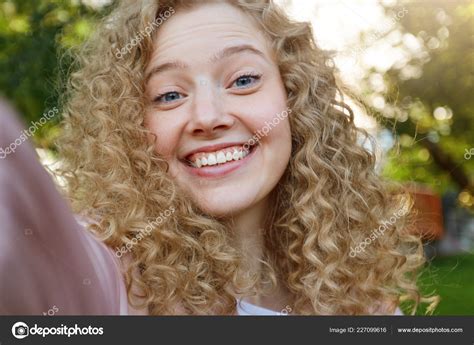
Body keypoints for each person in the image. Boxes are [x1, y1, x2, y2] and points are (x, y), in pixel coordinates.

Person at [1, 0, 435, 315]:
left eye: (243, 80)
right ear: (129, 126)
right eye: (169, 95)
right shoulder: (110, 276)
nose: (207, 117)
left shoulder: (357, 296)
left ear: (297, 102)